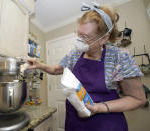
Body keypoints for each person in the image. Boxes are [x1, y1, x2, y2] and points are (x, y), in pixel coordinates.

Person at [27, 2, 146, 131]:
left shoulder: (120, 58)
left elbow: (138, 99)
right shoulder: (74, 55)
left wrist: (100, 107)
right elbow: (56, 69)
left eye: (85, 37)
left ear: (103, 38)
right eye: (78, 34)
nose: (79, 40)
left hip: (106, 123)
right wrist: (40, 65)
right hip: (75, 121)